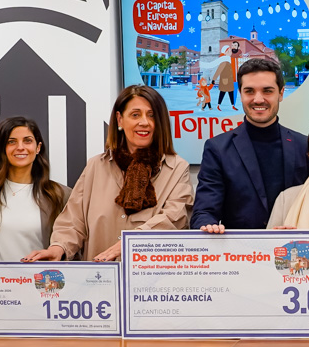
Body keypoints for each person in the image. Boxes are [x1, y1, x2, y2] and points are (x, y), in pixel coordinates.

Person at [24, 85, 192, 263]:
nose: (144, 122)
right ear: (120, 119)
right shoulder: (96, 166)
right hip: (98, 282)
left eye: (151, 115)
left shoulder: (177, 169)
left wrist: (129, 243)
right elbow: (74, 221)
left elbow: (175, 220)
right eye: (135, 115)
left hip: (151, 284)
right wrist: (58, 248)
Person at [191, 57, 309, 233]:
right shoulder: (217, 149)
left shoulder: (304, 146)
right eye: (249, 91)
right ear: (240, 94)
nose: (258, 99)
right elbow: (204, 211)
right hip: (240, 255)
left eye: (267, 91)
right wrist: (207, 225)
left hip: (295, 250)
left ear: (281, 93)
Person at [0, 116, 69, 261]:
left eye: (27, 141)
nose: (20, 147)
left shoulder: (60, 195)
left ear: (38, 148)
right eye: (11, 142)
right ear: (2, 148)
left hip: (38, 281)